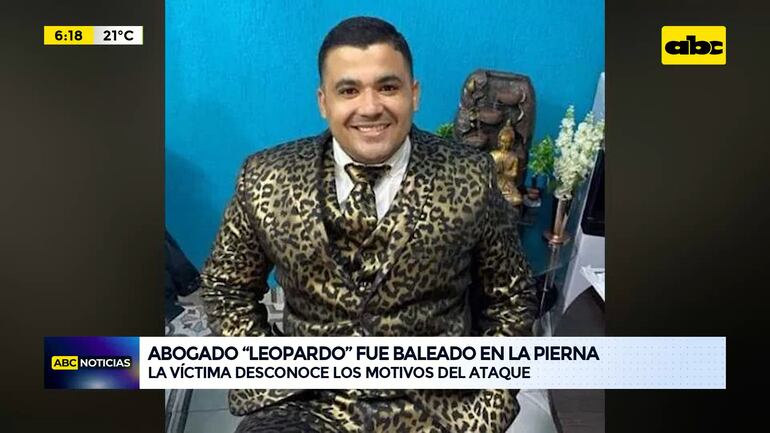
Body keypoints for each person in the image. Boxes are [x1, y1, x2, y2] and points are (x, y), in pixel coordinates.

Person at [200, 16, 537, 433]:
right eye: (349, 90)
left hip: (439, 407)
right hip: (306, 403)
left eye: (388, 87)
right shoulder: (266, 177)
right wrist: (270, 372)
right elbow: (225, 287)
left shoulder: (470, 175)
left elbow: (511, 297)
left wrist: (491, 402)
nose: (371, 106)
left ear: (414, 94)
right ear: (323, 101)